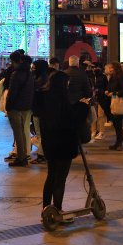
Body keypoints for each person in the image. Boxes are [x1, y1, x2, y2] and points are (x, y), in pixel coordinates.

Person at [38, 70, 79, 218]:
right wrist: (81, 107)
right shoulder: (63, 99)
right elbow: (70, 120)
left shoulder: (44, 97)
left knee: (51, 176)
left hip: (49, 142)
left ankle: (46, 208)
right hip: (63, 143)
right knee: (60, 178)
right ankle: (57, 208)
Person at [4, 50, 34, 167]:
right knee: (23, 132)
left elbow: (12, 92)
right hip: (26, 106)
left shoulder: (16, 74)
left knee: (18, 133)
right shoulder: (29, 73)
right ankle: (24, 155)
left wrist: (8, 105)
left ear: (14, 61)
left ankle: (21, 157)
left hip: (15, 106)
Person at [105, 62, 123, 151]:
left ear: (114, 68)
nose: (108, 69)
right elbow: (111, 87)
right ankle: (117, 143)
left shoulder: (120, 77)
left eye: (109, 67)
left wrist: (114, 93)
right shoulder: (112, 77)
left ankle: (119, 143)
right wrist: (108, 91)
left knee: (118, 124)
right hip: (113, 101)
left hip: (118, 101)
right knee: (116, 124)